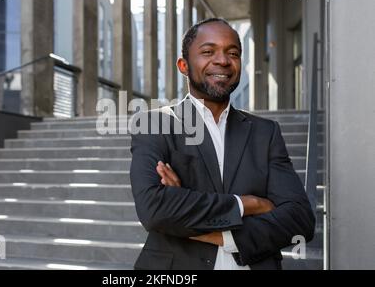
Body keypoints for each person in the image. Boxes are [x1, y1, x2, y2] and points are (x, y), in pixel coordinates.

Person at [129, 18, 315, 270]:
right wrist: (250, 204)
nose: (223, 60)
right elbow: (154, 209)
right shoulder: (154, 124)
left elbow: (300, 219)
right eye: (208, 51)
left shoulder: (265, 132)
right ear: (183, 65)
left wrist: (218, 232)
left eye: (233, 53)